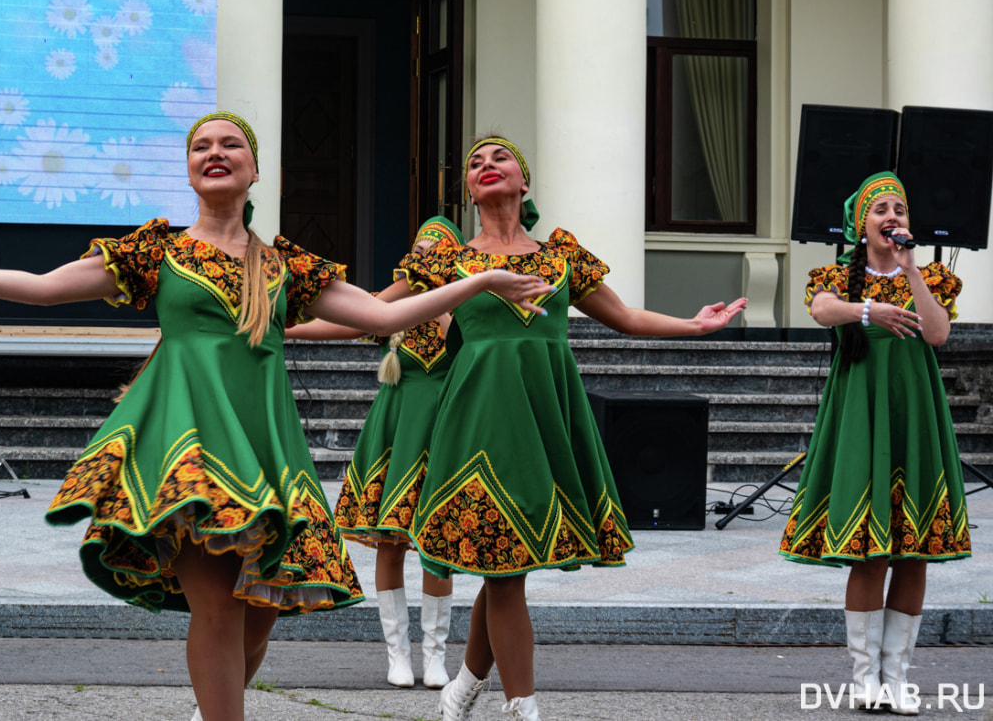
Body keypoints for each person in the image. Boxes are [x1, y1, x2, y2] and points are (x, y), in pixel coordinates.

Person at [0, 113, 550, 721]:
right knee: (219, 609)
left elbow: (383, 315)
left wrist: (483, 280)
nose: (214, 152)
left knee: (258, 620)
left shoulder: (285, 265)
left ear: (254, 169)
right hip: (188, 444)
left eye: (230, 144)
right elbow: (46, 288)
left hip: (265, 448)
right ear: (190, 168)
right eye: (201, 145)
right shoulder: (158, 251)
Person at [388, 136, 746, 721]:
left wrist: (694, 326)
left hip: (546, 413)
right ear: (469, 190)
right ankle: (522, 705)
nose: (485, 166)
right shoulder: (447, 258)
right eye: (475, 163)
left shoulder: (560, 255)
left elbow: (625, 317)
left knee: (509, 564)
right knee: (505, 569)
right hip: (478, 417)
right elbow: (378, 310)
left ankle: (463, 689)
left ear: (523, 182)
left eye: (498, 157)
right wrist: (279, 324)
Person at [779, 172, 968, 715]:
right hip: (862, 418)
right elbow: (821, 310)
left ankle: (898, 677)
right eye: (881, 209)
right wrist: (868, 310)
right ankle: (864, 677)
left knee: (915, 557)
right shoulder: (837, 276)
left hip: (915, 417)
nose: (893, 217)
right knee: (870, 554)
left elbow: (936, 334)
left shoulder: (929, 275)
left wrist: (911, 274)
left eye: (900, 209)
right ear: (860, 226)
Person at [288, 216, 465, 690]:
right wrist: (287, 331)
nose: (426, 258)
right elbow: (348, 321)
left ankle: (435, 654)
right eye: (421, 250)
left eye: (438, 251)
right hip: (393, 431)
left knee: (436, 545)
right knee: (390, 540)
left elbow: (464, 345)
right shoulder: (397, 302)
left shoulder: (465, 301)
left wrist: (443, 291)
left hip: (444, 431)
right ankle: (397, 654)